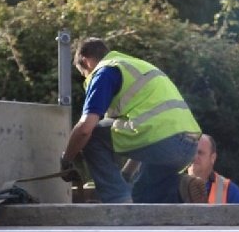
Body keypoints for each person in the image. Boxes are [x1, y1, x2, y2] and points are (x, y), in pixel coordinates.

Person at [60, 37, 203, 203]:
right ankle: (178, 188)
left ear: (86, 61)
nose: (86, 78)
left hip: (162, 141)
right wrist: (125, 176)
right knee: (140, 191)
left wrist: (66, 160)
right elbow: (142, 133)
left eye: (83, 74)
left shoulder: (105, 71)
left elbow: (85, 129)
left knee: (94, 134)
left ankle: (117, 201)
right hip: (187, 146)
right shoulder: (136, 66)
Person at [188, 134, 239, 204]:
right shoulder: (174, 186)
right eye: (191, 152)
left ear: (213, 158)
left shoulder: (230, 191)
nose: (194, 156)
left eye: (200, 153)